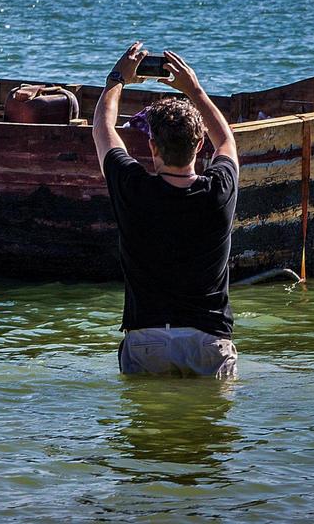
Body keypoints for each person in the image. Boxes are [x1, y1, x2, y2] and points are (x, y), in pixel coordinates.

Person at [92, 42, 239, 377]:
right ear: (199, 145)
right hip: (208, 339)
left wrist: (117, 78)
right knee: (211, 428)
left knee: (144, 429)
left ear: (152, 145)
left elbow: (102, 128)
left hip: (147, 338)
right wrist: (194, 90)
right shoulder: (219, 190)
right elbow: (227, 141)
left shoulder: (133, 188)